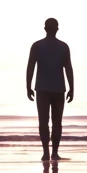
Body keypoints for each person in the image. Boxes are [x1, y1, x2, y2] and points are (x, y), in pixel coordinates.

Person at [26, 17, 74, 161]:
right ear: (57, 29)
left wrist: (28, 87)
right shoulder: (63, 46)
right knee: (57, 122)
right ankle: (54, 153)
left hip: (42, 89)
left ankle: (46, 152)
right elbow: (69, 69)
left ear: (45, 28)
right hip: (58, 89)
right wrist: (72, 88)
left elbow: (30, 68)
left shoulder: (37, 46)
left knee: (43, 122)